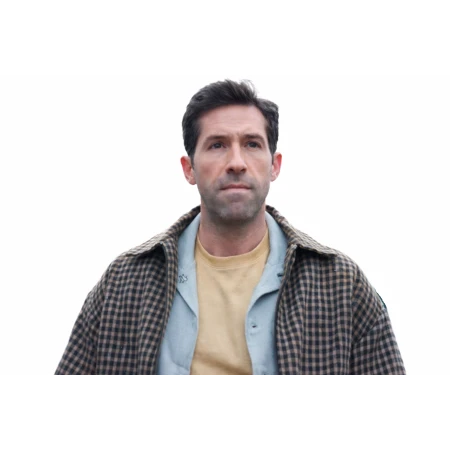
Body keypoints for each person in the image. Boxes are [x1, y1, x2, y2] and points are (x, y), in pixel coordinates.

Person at [55, 79, 406, 376]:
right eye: (217, 145)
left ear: (274, 166)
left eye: (252, 144)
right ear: (189, 169)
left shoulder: (340, 285)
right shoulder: (123, 284)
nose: (236, 162)